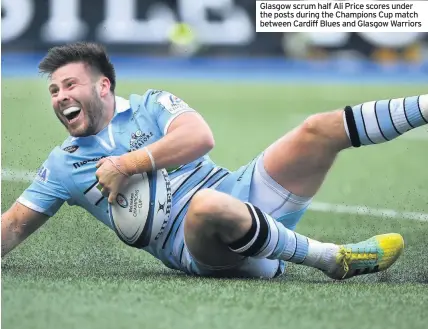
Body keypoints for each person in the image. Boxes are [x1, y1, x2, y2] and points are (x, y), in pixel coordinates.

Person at [3, 42, 422, 281]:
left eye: (69, 84)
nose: (59, 97)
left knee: (318, 129)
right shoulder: (63, 165)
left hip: (242, 193)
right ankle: (334, 259)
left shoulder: (152, 104)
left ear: (104, 85)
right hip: (199, 248)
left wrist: (127, 164)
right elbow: (12, 227)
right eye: (54, 91)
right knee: (205, 205)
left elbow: (200, 137)